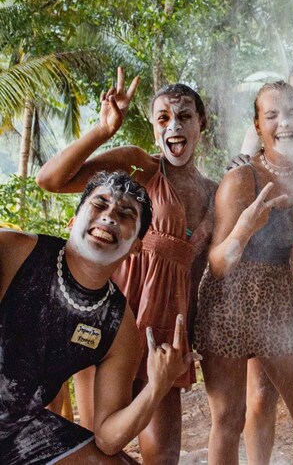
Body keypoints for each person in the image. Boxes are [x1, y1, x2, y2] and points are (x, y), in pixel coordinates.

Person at [36, 69, 216, 464]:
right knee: (94, 446)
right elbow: (49, 180)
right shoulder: (139, 167)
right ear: (154, 129)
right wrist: (103, 130)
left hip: (166, 334)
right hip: (109, 322)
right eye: (163, 118)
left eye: (185, 116)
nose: (174, 125)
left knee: (163, 456)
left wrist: (190, 347)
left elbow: (199, 274)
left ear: (202, 123)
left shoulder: (214, 193)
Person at [0, 171, 198, 464]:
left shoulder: (118, 327)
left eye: (126, 213)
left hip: (20, 429)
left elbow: (107, 438)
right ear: (73, 220)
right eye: (99, 204)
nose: (110, 216)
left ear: (135, 247)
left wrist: (157, 387)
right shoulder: (12, 251)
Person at [195, 81, 293, 465]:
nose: (284, 122)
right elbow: (217, 264)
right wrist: (245, 228)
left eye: (292, 113)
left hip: (279, 304)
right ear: (257, 126)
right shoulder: (241, 179)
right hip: (228, 303)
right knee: (228, 418)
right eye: (272, 115)